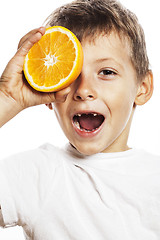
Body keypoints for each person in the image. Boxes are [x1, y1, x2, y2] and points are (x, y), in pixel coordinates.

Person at [0, 0, 159, 239]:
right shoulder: (35, 174)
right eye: (71, 75)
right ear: (49, 92)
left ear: (142, 88)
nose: (83, 90)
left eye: (106, 72)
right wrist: (6, 99)